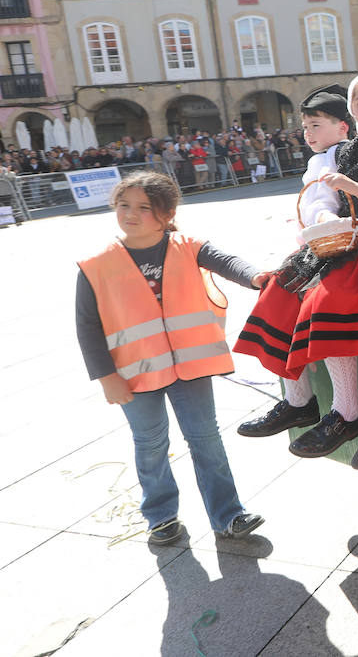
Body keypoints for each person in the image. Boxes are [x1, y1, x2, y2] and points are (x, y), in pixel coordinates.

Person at [235, 72, 358, 465]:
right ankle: (299, 399)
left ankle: (348, 411)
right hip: (342, 241)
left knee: (330, 295)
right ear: (352, 112)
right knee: (283, 285)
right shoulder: (341, 153)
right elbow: (317, 196)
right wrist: (326, 218)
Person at [74, 170, 267, 544]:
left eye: (144, 208)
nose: (130, 213)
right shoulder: (96, 265)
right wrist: (105, 377)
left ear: (166, 213)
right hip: (135, 373)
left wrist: (258, 277)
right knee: (150, 443)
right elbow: (87, 325)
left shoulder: (188, 245)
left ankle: (228, 515)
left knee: (206, 438)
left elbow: (228, 262)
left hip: (192, 368)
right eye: (124, 205)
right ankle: (160, 516)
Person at [234, 85, 354, 443]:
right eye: (306, 126)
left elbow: (325, 202)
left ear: (343, 127)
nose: (308, 133)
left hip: (337, 243)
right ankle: (297, 398)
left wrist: (321, 219)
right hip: (322, 243)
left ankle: (314, 402)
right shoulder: (327, 156)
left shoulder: (338, 156)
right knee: (277, 291)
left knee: (303, 300)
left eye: (316, 125)